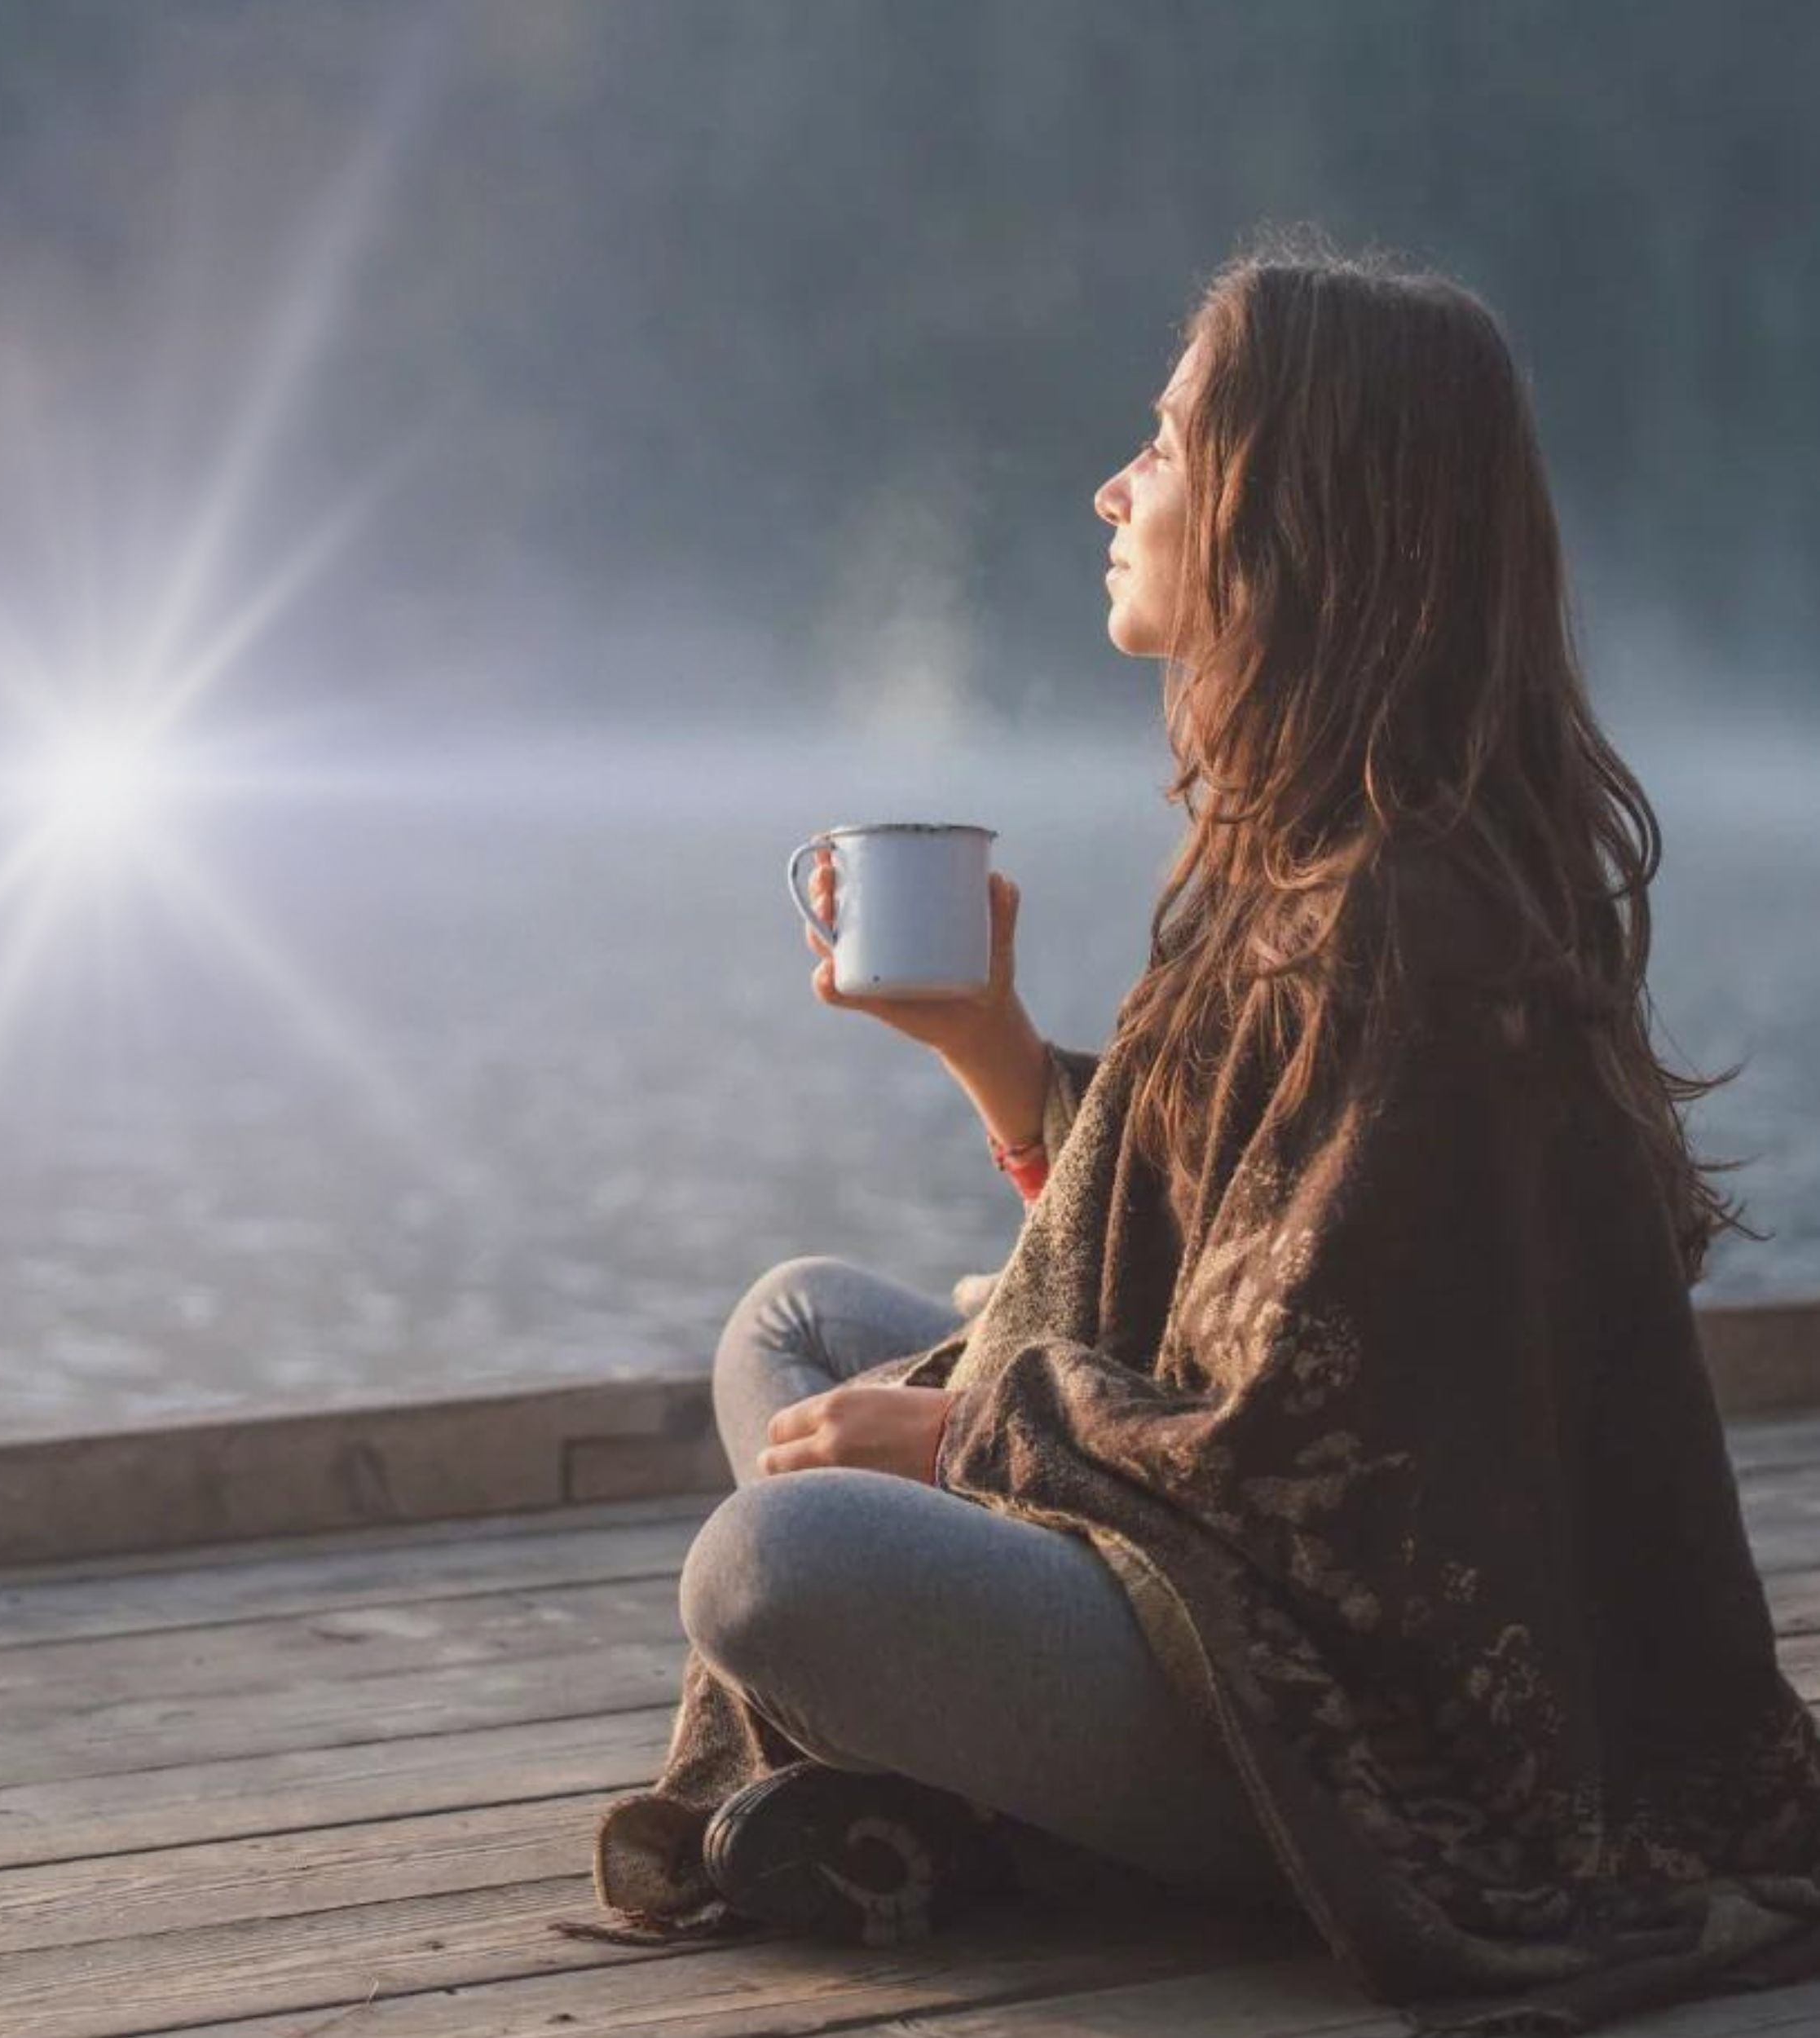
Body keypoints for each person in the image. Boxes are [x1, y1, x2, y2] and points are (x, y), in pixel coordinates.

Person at [553, 227, 1820, 2032]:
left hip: (1376, 1732)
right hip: (1219, 1576)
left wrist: (969, 1428)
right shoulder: (1303, 853)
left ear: (1293, 507)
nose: (1111, 484)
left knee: (777, 1562)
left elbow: (1322, 1449)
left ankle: (1014, 1803)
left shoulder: (1410, 918)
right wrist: (988, 1047)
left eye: (1161, 442)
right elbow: (1213, 1243)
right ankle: (968, 1755)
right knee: (797, 1325)